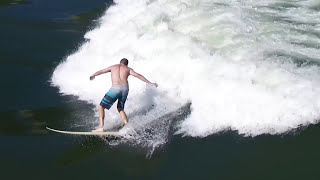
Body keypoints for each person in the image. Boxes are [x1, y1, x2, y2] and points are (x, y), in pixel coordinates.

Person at [89, 58, 158, 132]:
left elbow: (102, 71)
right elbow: (137, 75)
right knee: (120, 108)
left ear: (120, 62)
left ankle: (101, 127)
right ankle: (127, 126)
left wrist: (94, 75)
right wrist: (150, 83)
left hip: (115, 88)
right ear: (126, 64)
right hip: (125, 88)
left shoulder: (113, 67)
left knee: (101, 106)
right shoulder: (128, 69)